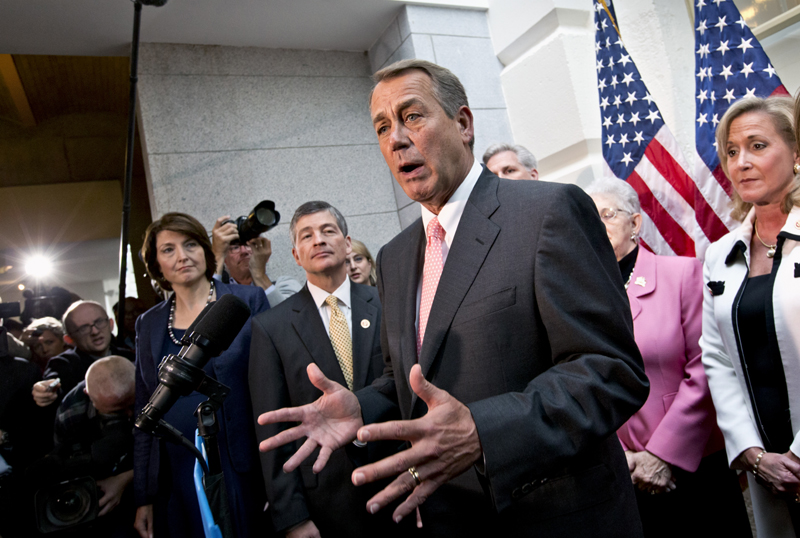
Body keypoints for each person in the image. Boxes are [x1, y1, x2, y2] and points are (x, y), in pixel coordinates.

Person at [257, 59, 648, 536]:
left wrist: (484, 432)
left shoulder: (547, 212)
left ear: (463, 124)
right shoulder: (396, 256)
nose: (396, 138)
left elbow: (610, 371)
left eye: (412, 116)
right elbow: (403, 376)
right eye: (382, 127)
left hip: (556, 516)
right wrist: (364, 406)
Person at [586, 178, 751, 538]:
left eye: (607, 214)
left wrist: (662, 454)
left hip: (693, 467)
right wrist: (618, 456)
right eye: (588, 217)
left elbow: (706, 368)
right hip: (624, 472)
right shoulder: (581, 298)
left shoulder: (683, 274)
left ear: (636, 223)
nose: (596, 226)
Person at [250, 202, 396, 537]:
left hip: (396, 480)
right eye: (307, 235)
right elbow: (271, 429)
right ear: (296, 255)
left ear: (347, 244)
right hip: (325, 500)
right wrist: (293, 518)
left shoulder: (388, 303)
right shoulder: (271, 327)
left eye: (328, 231)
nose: (318, 240)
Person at [700, 95, 800, 538]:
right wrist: (753, 454)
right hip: (765, 466)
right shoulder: (719, 255)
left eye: (758, 146)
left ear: (796, 154)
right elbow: (716, 359)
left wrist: (797, 457)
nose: (741, 162)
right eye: (732, 151)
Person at [133, 212, 269, 538]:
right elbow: (143, 403)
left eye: (190, 244)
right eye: (168, 250)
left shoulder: (247, 301)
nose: (182, 256)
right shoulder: (148, 323)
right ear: (156, 265)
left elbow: (271, 388)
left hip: (240, 461)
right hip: (178, 466)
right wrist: (144, 496)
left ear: (206, 251)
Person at [50, 356, 138, 537]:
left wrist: (124, 480)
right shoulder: (71, 413)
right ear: (88, 395)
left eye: (133, 404)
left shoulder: (157, 389)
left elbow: (172, 457)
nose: (130, 414)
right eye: (117, 411)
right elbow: (65, 468)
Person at [31, 301, 133, 409]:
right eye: (83, 328)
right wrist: (44, 390)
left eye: (99, 322)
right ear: (69, 340)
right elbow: (54, 381)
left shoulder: (130, 357)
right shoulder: (63, 364)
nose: (95, 331)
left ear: (111, 324)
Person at [211, 215, 302, 307]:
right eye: (235, 247)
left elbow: (290, 317)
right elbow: (205, 313)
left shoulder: (285, 285)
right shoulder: (218, 292)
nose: (243, 251)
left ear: (265, 255)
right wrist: (217, 256)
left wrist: (259, 275)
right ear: (225, 260)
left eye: (249, 245)